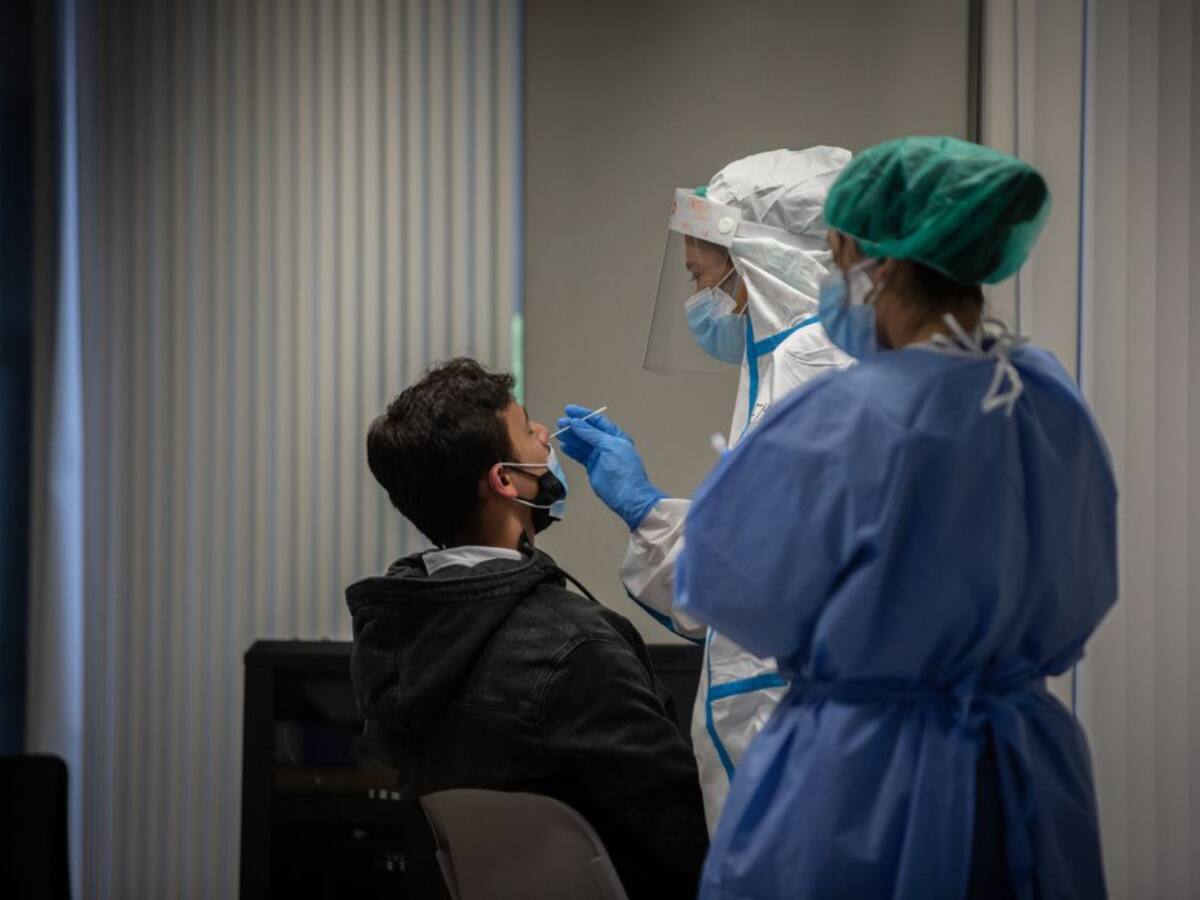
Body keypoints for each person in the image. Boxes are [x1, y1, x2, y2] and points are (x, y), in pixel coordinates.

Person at [676, 136, 1117, 899]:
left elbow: (724, 587)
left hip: (867, 778)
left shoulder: (848, 414)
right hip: (1024, 773)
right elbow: (1086, 581)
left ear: (860, 259)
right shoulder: (1048, 401)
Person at [557, 147, 854, 829]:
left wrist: (645, 510)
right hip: (790, 729)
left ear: (762, 264)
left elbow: (751, 580)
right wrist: (649, 514)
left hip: (799, 741)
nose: (699, 302)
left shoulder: (813, 370)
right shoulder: (790, 368)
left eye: (702, 277)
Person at [345, 358, 708, 899]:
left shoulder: (393, 643)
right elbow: (695, 843)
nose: (544, 434)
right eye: (527, 426)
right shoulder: (577, 649)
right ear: (505, 479)